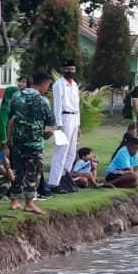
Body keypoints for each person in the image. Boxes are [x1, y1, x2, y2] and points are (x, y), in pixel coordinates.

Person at [5, 73, 54, 214]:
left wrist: (8, 141)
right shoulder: (43, 101)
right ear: (44, 84)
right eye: (47, 86)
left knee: (17, 170)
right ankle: (29, 203)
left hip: (18, 140)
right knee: (33, 172)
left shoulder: (16, 97)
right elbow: (49, 122)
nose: (47, 89)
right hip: (35, 143)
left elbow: (11, 120)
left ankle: (14, 201)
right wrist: (47, 134)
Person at [48, 62, 82, 191]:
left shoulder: (74, 85)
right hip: (64, 118)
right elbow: (57, 106)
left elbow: (77, 107)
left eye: (72, 69)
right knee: (60, 152)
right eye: (68, 69)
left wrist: (78, 125)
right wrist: (59, 124)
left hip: (74, 118)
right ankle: (54, 182)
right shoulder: (58, 85)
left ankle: (64, 179)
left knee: (71, 152)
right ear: (62, 69)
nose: (70, 71)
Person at [0, 75, 25, 146]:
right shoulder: (4, 110)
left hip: (13, 139)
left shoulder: (14, 108)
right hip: (5, 140)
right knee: (2, 155)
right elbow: (2, 126)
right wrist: (4, 141)